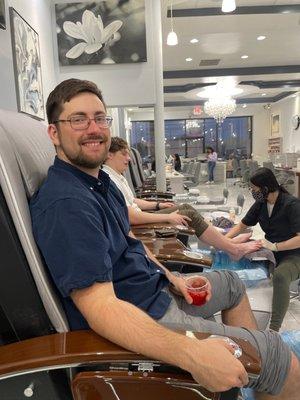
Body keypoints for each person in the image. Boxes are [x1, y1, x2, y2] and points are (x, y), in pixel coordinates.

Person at [30, 79, 300, 398]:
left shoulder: (99, 181)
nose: (93, 128)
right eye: (78, 119)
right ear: (54, 133)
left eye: (100, 118)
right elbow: (101, 309)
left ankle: (244, 378)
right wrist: (194, 354)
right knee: (278, 357)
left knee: (231, 283)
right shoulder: (68, 205)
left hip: (157, 291)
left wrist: (171, 276)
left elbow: (130, 240)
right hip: (145, 316)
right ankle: (260, 367)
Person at [103, 137, 261, 260]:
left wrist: (158, 205)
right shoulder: (108, 179)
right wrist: (169, 216)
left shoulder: (117, 176)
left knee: (187, 208)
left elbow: (133, 201)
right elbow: (129, 215)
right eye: (123, 154)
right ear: (109, 154)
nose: (128, 159)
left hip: (140, 216)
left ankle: (226, 242)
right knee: (189, 214)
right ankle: (233, 249)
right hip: (137, 226)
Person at [226, 167, 300, 332]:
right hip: (271, 252)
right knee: (240, 253)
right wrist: (224, 241)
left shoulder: (291, 204)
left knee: (281, 276)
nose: (252, 191)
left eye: (254, 189)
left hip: (293, 254)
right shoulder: (261, 204)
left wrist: (276, 246)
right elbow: (242, 225)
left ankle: (273, 331)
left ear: (266, 188)